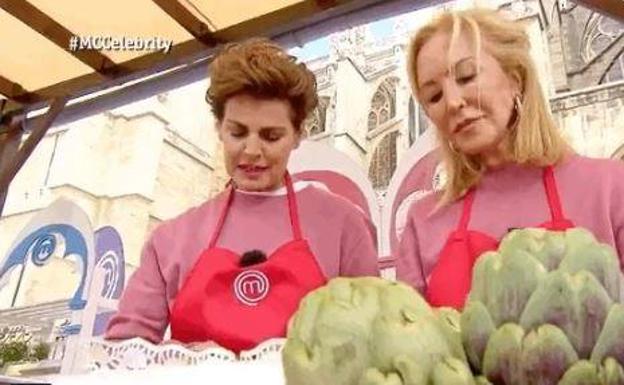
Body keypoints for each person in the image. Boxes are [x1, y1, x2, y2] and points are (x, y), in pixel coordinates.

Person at [105, 38, 379, 352]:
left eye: (271, 136)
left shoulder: (343, 224)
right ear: (219, 127)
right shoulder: (170, 239)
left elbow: (370, 339)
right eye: (237, 133)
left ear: (298, 135)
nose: (251, 151)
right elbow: (125, 348)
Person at [396, 8, 624, 309]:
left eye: (466, 76)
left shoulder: (610, 188)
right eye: (434, 97)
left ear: (515, 78)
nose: (452, 102)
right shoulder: (422, 223)